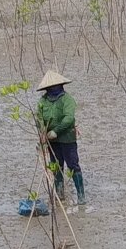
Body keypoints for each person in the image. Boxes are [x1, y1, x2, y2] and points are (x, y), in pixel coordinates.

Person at [35, 69, 86, 206]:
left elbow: (69, 118)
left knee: (73, 165)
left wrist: (56, 131)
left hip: (67, 138)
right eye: (50, 87)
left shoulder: (67, 99)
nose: (53, 89)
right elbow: (38, 118)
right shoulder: (43, 101)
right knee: (56, 166)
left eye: (55, 86)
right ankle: (59, 194)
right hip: (51, 140)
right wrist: (42, 133)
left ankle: (81, 196)